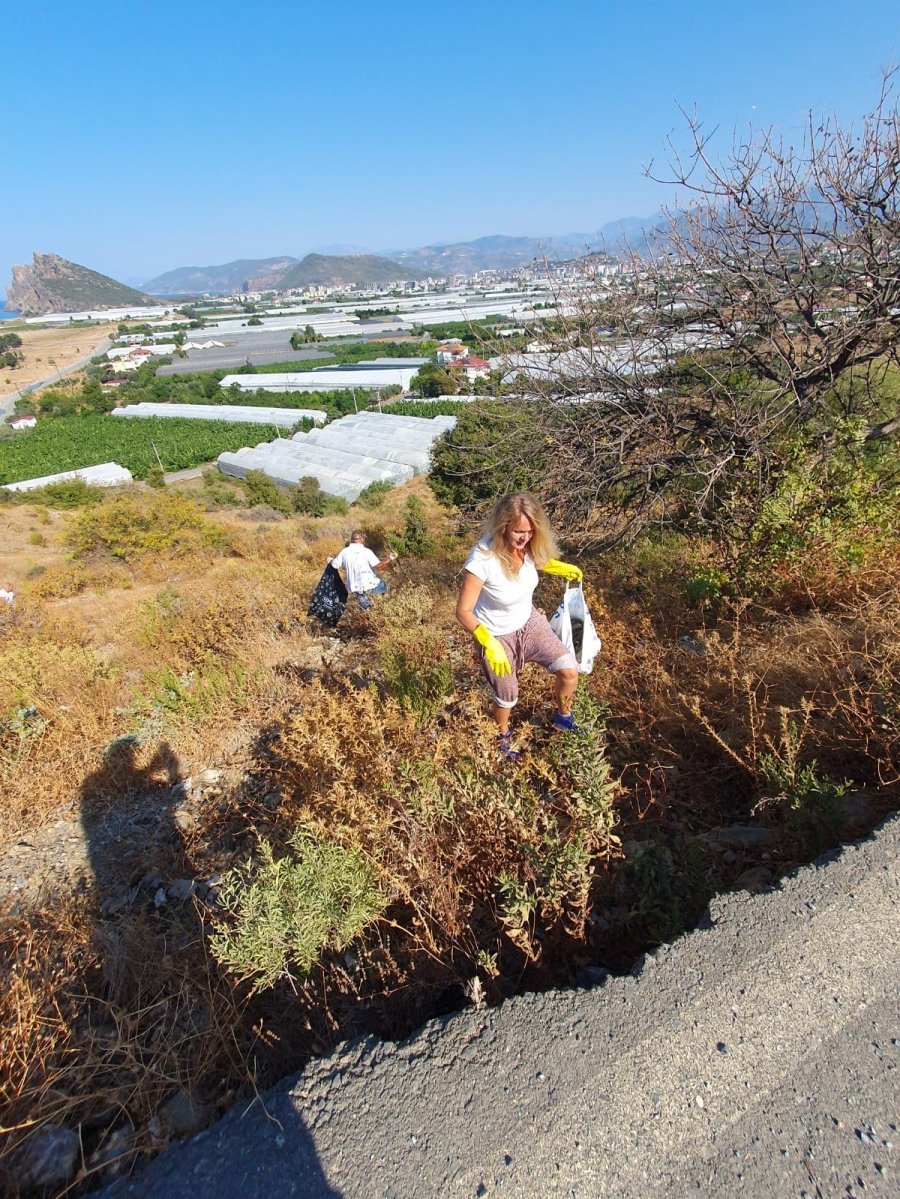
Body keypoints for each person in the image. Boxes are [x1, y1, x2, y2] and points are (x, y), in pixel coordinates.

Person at [456, 493, 583, 761]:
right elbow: (463, 611)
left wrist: (558, 567)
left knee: (570, 671)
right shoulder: (482, 559)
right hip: (495, 634)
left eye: (530, 531)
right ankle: (502, 735)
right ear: (503, 527)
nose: (524, 537)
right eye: (518, 532)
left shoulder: (527, 546)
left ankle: (562, 718)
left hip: (529, 622)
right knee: (508, 692)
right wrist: (487, 642)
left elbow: (538, 560)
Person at [330, 531, 397, 610]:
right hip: (372, 585)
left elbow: (335, 565)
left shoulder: (344, 552)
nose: (364, 540)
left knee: (366, 610)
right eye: (364, 538)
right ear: (361, 539)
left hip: (356, 588)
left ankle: (366, 618)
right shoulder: (366, 551)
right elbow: (379, 566)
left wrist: (330, 560)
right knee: (387, 594)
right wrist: (390, 558)